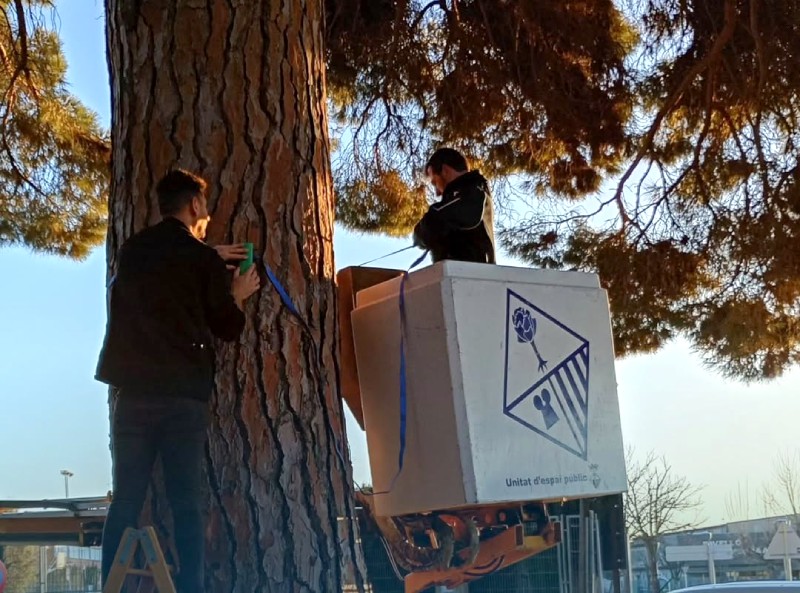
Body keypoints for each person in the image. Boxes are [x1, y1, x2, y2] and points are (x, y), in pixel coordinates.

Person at [95, 169, 260, 593]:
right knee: (185, 500)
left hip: (132, 393)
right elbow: (226, 326)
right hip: (181, 396)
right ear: (195, 206)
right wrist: (236, 294)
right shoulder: (201, 259)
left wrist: (203, 256)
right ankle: (192, 587)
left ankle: (107, 584)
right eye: (204, 206)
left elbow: (158, 277)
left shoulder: (133, 250)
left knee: (127, 499)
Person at [413, 147, 496, 264]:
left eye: (435, 183)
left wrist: (422, 230)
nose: (437, 192)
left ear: (445, 170)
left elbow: (438, 220)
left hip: (470, 277)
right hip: (463, 276)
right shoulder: (469, 193)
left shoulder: (473, 190)